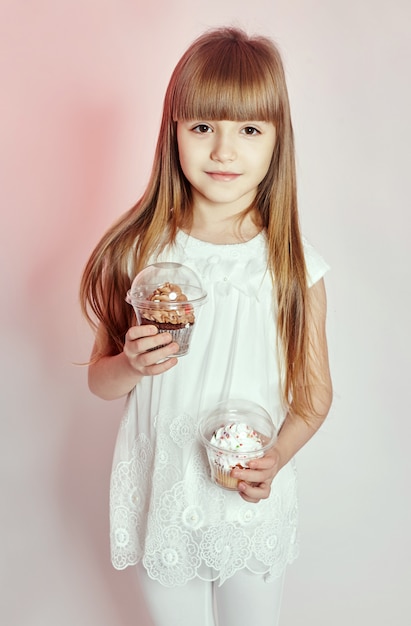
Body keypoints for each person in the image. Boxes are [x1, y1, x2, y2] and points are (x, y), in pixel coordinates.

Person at [80, 26, 332, 626]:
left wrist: (277, 457)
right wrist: (131, 363)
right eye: (202, 128)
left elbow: (315, 397)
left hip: (247, 498)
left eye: (248, 129)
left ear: (278, 141)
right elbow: (100, 380)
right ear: (174, 132)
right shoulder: (139, 252)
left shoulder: (294, 264)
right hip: (164, 495)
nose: (223, 151)